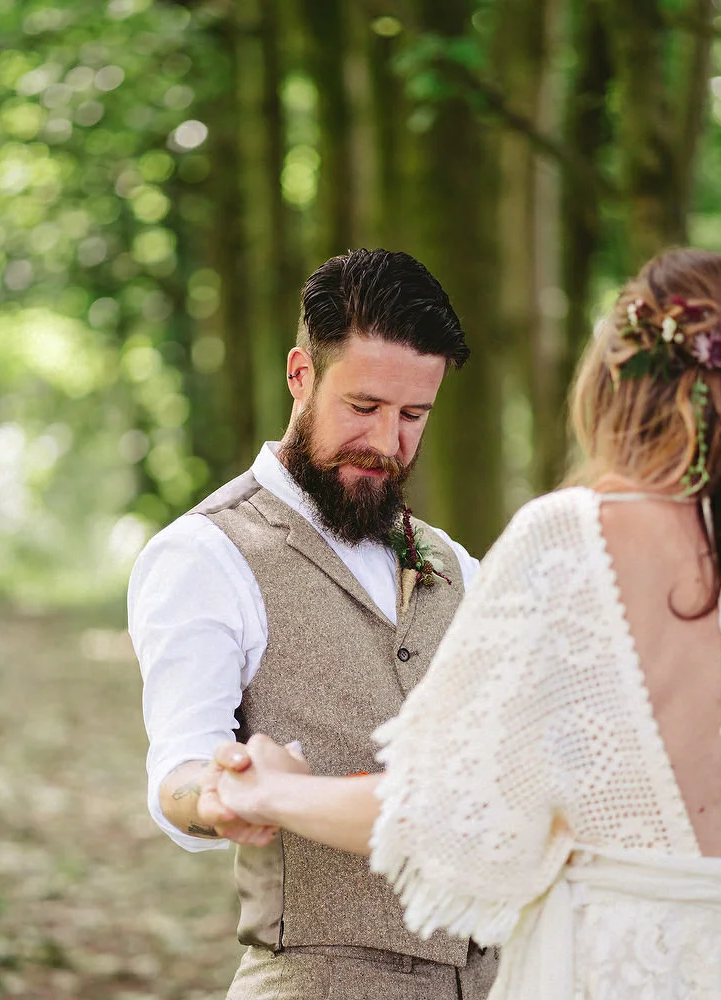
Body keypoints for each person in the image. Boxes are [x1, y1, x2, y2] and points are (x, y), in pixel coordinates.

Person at [211, 248, 721, 1000]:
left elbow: (445, 808)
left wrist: (275, 793)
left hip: (606, 970)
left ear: (617, 384)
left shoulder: (569, 545)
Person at [128, 249, 500, 998]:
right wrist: (224, 792)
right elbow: (177, 771)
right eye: (364, 407)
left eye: (414, 415)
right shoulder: (205, 554)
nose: (388, 442)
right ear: (302, 375)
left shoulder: (456, 562)